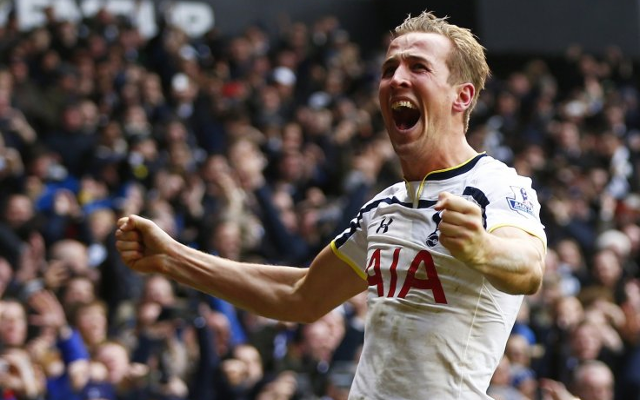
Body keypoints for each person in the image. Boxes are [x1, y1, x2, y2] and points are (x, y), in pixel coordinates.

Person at [115, 10, 546, 399]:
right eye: (389, 68)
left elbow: (528, 268)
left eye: (418, 67)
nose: (397, 78)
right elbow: (300, 295)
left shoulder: (494, 186)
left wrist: (483, 250)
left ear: (462, 97)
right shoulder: (384, 208)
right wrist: (172, 257)